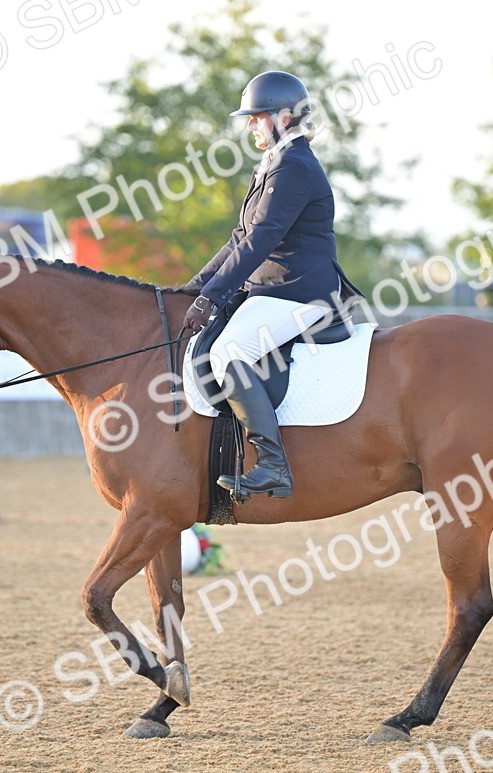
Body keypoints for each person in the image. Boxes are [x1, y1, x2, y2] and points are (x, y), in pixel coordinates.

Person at [181, 70, 361, 501]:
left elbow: (261, 241)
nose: (249, 124)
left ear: (283, 116)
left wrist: (213, 296)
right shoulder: (276, 162)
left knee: (229, 351)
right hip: (272, 292)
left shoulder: (294, 166)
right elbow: (239, 239)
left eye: (256, 116)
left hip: (300, 293)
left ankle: (273, 464)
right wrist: (192, 291)